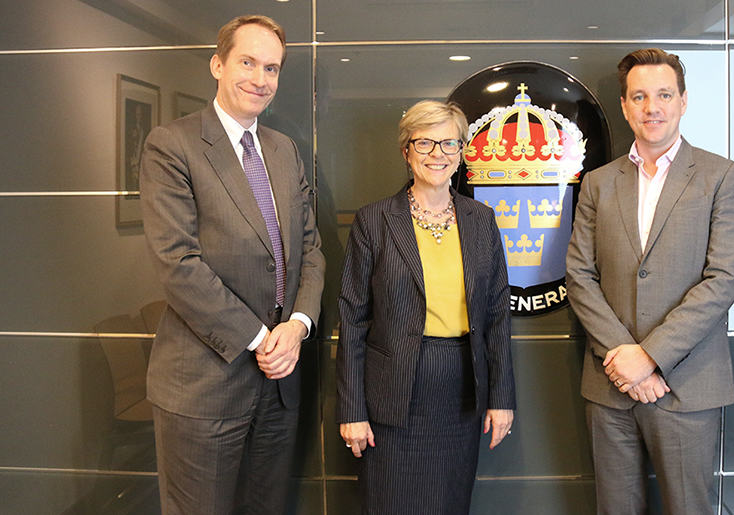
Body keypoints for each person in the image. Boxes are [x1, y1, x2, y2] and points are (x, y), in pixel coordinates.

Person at [140, 14, 325, 514]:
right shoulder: (172, 145)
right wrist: (261, 338)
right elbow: (178, 264)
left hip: (279, 382)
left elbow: (310, 250)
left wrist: (298, 327)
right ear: (217, 64)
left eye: (272, 68)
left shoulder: (284, 152)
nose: (260, 79)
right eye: (248, 62)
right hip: (204, 387)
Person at [566, 48, 734, 515]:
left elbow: (723, 279)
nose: (653, 107)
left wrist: (649, 357)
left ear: (683, 101)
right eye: (640, 96)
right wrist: (621, 357)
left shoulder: (720, 176)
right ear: (625, 106)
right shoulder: (599, 183)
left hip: (687, 384)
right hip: (611, 387)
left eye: (664, 94)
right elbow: (579, 275)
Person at [337, 100, 516, 514]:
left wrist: (502, 398)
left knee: (449, 504)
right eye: (425, 143)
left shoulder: (481, 220)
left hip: (461, 394)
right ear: (406, 151)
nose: (438, 153)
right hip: (392, 395)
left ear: (461, 152)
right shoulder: (374, 221)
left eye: (449, 143)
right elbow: (352, 319)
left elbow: (496, 317)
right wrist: (352, 410)